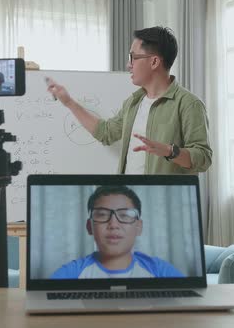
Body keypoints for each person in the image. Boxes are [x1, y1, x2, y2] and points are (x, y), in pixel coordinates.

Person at [45, 26, 212, 174]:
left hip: (166, 203)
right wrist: (68, 102)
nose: (128, 64)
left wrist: (170, 151)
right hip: (130, 200)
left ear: (154, 62)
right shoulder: (133, 103)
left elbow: (203, 158)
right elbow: (106, 132)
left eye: (133, 57)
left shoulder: (189, 104)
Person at [50, 186, 185, 279]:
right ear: (89, 226)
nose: (113, 224)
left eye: (125, 215)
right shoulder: (72, 272)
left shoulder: (159, 270)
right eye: (102, 215)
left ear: (139, 227)